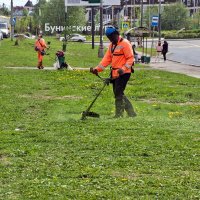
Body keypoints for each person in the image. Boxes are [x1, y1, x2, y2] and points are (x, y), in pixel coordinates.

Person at [90, 26, 136, 118]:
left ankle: (119, 114)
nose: (111, 39)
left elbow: (130, 58)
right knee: (118, 93)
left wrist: (123, 69)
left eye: (111, 37)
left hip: (124, 73)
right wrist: (96, 69)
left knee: (118, 92)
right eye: (109, 37)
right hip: (115, 74)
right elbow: (106, 60)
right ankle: (131, 113)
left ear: (116, 34)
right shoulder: (111, 46)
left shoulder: (125, 43)